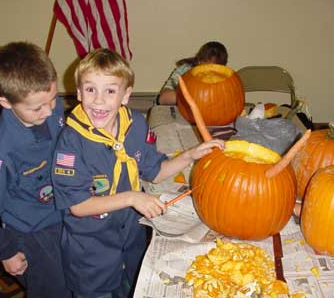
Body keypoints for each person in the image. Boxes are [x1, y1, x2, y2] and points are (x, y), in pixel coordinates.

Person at [51, 48, 224, 298]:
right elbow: (77, 205)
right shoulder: (70, 143)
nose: (99, 101)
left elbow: (155, 171)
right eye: (90, 89)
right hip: (91, 249)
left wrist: (190, 155)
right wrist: (133, 197)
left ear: (125, 95)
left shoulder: (135, 124)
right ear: (78, 93)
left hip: (130, 238)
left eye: (110, 90)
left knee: (131, 288)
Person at [0, 42, 71, 298]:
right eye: (37, 107)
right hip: (32, 231)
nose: (49, 111)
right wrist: (6, 253)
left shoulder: (47, 104)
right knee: (52, 290)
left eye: (52, 99)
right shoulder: (0, 152)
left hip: (64, 212)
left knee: (80, 275)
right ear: (5, 101)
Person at [157, 41, 228, 105]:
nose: (209, 75)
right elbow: (163, 99)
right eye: (206, 69)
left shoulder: (225, 79)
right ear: (199, 62)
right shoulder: (185, 70)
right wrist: (195, 96)